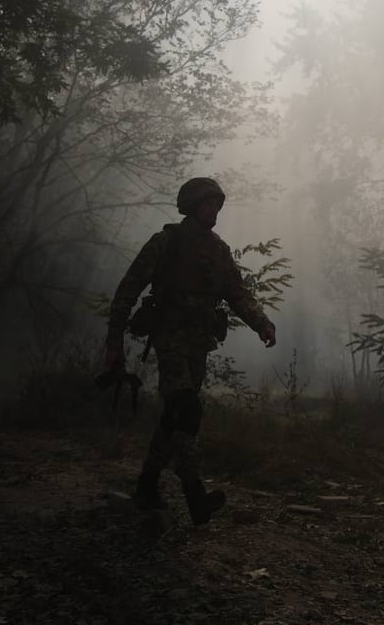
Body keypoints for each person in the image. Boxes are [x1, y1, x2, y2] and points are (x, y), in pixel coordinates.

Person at [104, 177, 276, 524]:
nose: (213, 210)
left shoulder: (219, 250)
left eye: (216, 204)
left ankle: (147, 486)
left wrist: (262, 323)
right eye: (206, 204)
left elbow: (237, 293)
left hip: (199, 344)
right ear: (191, 206)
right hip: (169, 338)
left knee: (174, 419)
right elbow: (128, 288)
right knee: (185, 409)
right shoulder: (166, 242)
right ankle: (194, 492)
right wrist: (114, 342)